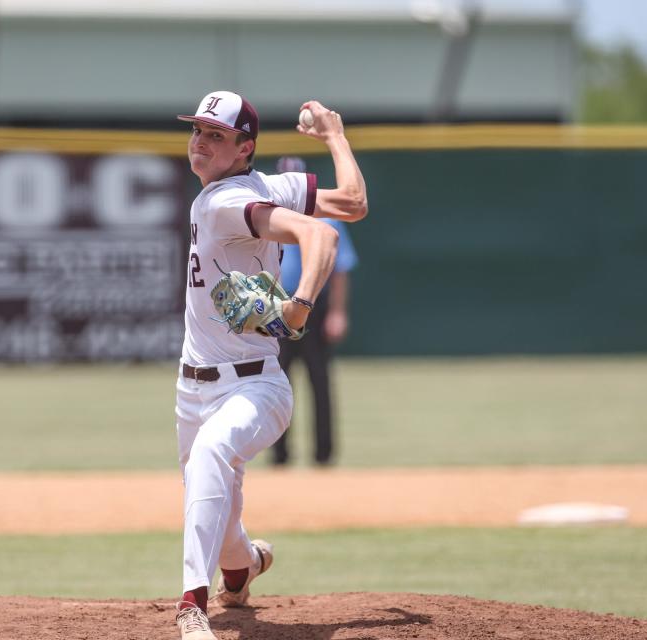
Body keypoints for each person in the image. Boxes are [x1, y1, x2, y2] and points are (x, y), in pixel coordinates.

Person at [172, 90, 368, 640]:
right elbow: (352, 202)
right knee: (217, 508)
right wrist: (334, 135)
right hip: (192, 386)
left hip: (254, 386)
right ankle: (243, 569)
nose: (201, 142)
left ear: (244, 148)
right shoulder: (265, 186)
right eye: (198, 131)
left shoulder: (222, 203)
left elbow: (323, 233)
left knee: (213, 456)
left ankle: (191, 605)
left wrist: (298, 307)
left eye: (216, 134)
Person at [270, 157, 358, 467]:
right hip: (275, 306)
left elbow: (341, 268)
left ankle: (324, 455)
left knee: (319, 379)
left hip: (315, 307)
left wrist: (337, 312)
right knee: (275, 383)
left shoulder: (326, 218)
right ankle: (279, 455)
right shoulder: (265, 216)